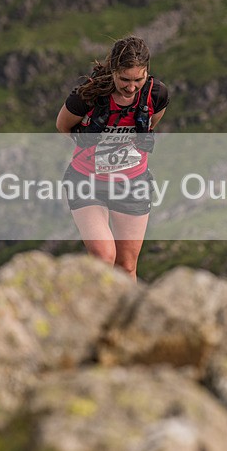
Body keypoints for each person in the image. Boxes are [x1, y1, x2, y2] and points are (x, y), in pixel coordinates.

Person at [56, 36, 169, 282]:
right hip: (87, 181)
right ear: (113, 70)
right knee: (103, 256)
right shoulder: (87, 94)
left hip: (132, 183)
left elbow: (151, 122)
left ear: (147, 72)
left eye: (138, 80)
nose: (131, 87)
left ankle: (125, 320)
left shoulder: (156, 94)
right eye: (124, 79)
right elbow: (63, 125)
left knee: (127, 266)